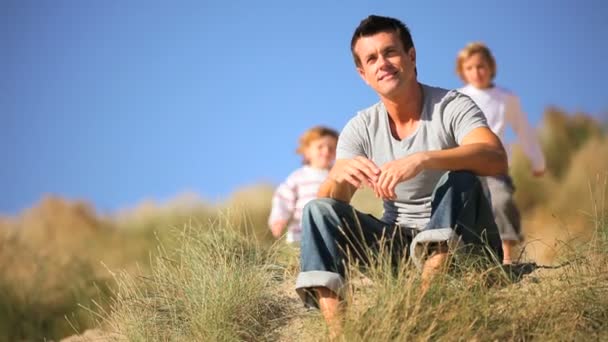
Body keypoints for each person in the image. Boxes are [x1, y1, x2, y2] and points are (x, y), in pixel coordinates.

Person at [294, 15, 508, 336]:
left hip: (467, 245)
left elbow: (495, 158)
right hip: (400, 250)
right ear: (363, 74)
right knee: (316, 209)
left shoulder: (450, 105)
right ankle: (341, 333)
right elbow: (328, 214)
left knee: (461, 175)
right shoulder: (360, 128)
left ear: (411, 56)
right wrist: (338, 176)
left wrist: (424, 159)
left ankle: (422, 306)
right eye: (371, 59)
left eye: (390, 52)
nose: (382, 63)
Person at [456, 42, 546, 265]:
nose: (476, 72)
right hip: (465, 165)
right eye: (470, 68)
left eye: (481, 66)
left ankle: (507, 258)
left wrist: (537, 161)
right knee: (462, 210)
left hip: (495, 166)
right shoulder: (458, 97)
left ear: (491, 67)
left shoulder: (506, 98)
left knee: (502, 201)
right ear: (462, 71)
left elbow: (524, 130)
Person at [268, 126, 339, 243]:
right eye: (320, 147)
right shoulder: (299, 177)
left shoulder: (336, 177)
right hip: (300, 236)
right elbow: (283, 198)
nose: (326, 151)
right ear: (307, 151)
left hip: (330, 234)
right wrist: (279, 218)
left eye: (331, 148)